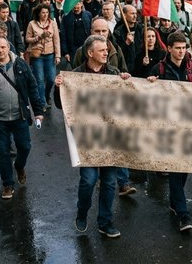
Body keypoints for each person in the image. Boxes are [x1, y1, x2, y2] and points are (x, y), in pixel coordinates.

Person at [53, 35, 131, 238]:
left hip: (110, 136)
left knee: (109, 182)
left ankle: (105, 222)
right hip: (87, 137)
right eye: (102, 50)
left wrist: (126, 83)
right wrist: (58, 87)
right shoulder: (75, 76)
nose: (107, 52)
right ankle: (82, 212)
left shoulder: (113, 73)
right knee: (88, 180)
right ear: (90, 53)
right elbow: (61, 105)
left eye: (106, 49)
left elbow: (127, 102)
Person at [147, 31, 192, 232]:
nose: (181, 52)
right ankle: (183, 214)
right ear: (169, 49)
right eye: (178, 48)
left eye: (184, 48)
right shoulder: (160, 68)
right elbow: (147, 94)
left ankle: (174, 201)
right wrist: (151, 84)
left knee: (184, 169)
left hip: (188, 125)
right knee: (175, 168)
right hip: (169, 127)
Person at [0, 37, 44, 200]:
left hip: (19, 116)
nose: (0, 50)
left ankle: (19, 166)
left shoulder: (20, 65)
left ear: (8, 47)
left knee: (25, 147)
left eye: (3, 47)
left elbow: (32, 87)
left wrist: (38, 111)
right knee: (3, 153)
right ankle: (8, 184)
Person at [25, 3, 61, 109]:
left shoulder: (53, 23)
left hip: (50, 54)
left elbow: (56, 40)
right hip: (37, 55)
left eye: (47, 12)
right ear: (39, 13)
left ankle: (46, 94)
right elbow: (27, 39)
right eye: (43, 13)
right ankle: (42, 102)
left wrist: (58, 55)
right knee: (39, 79)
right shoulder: (32, 24)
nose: (45, 15)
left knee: (51, 79)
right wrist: (39, 37)